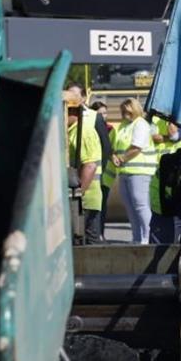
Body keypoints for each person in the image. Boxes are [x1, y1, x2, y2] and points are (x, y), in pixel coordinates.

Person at [67, 83, 110, 242]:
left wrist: (77, 195)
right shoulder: (71, 130)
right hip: (83, 196)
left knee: (88, 243)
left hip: (86, 197)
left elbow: (91, 164)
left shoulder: (84, 130)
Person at [112, 98, 159, 243]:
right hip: (125, 171)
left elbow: (136, 147)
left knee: (140, 205)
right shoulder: (124, 125)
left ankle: (147, 238)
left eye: (127, 111)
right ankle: (137, 238)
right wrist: (114, 156)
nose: (124, 114)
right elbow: (116, 145)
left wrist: (121, 159)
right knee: (130, 207)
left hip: (140, 171)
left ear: (134, 110)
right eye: (122, 111)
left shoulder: (141, 124)